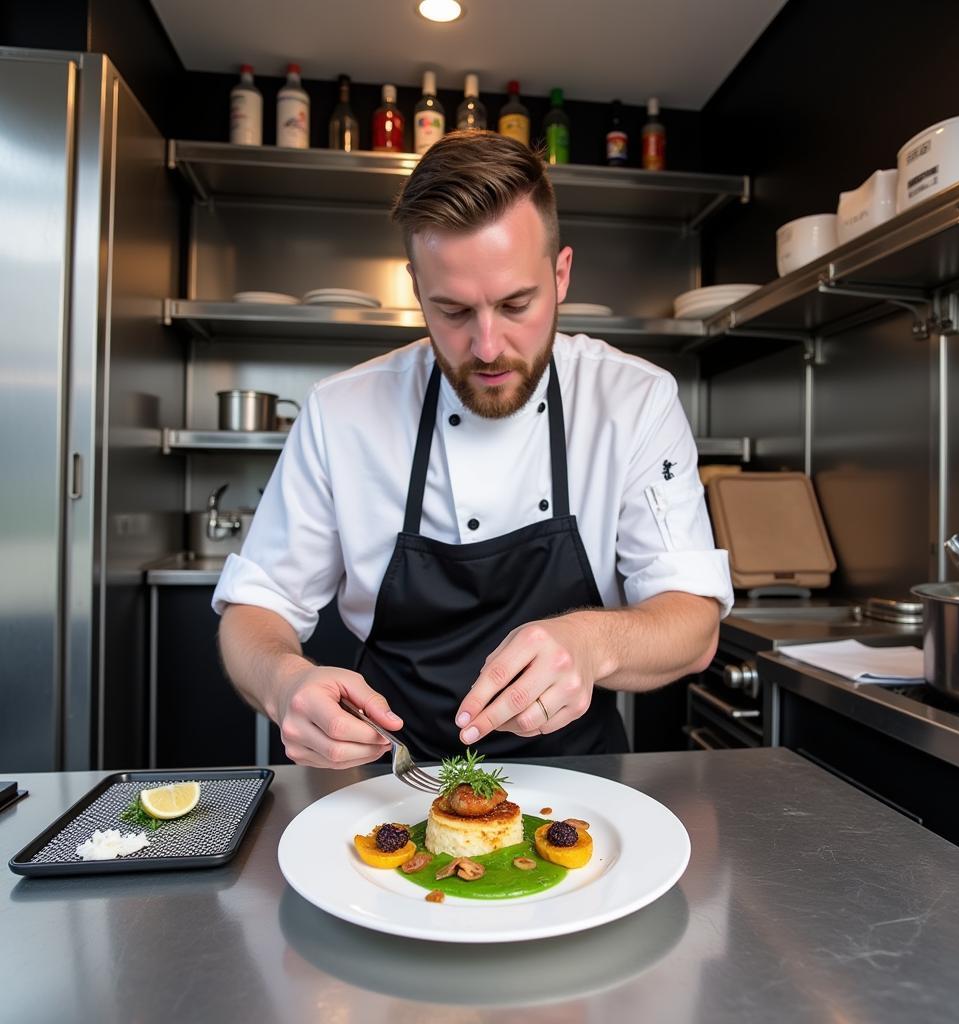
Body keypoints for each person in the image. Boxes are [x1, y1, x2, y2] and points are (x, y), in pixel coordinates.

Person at [213, 130, 733, 768]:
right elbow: (254, 612)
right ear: (415, 288)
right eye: (453, 311)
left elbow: (694, 624)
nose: (488, 347)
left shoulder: (633, 400)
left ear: (561, 273)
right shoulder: (340, 411)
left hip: (581, 787)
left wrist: (592, 641)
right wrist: (284, 684)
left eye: (516, 303)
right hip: (385, 786)